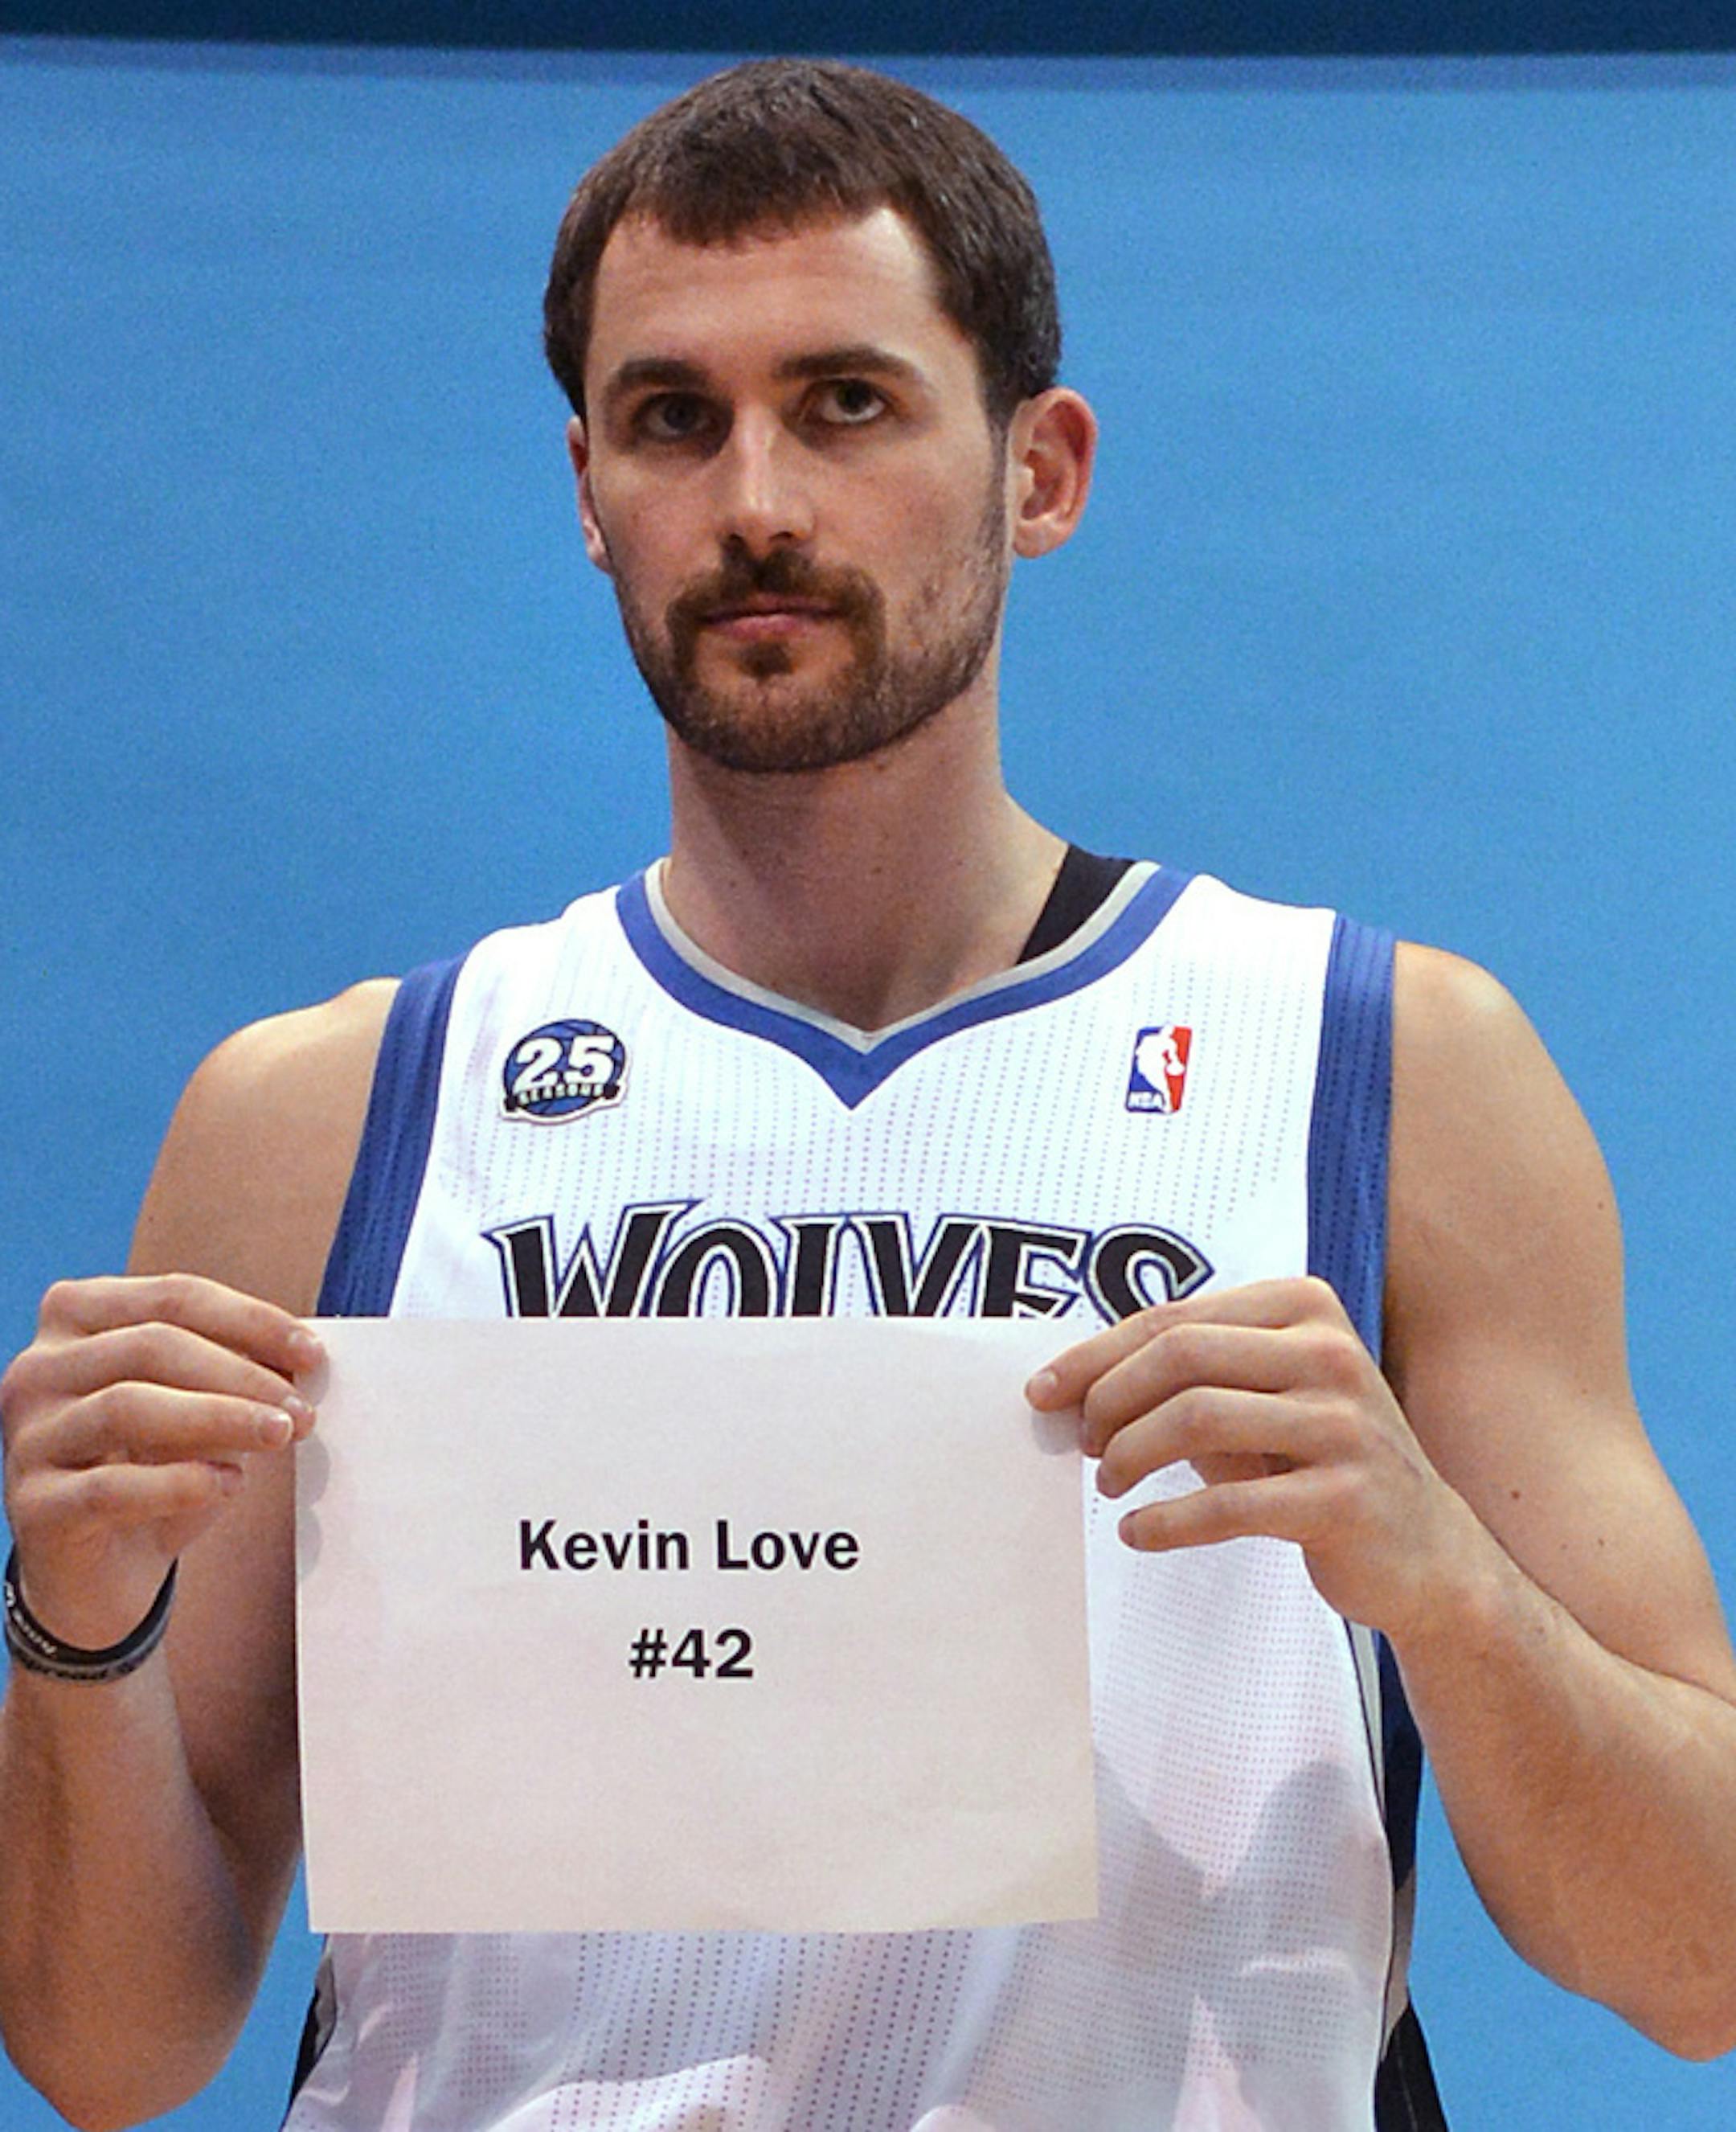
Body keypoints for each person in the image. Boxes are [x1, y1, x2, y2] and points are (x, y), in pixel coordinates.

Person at [2, 55, 1734, 2132]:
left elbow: (1703, 1961)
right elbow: (106, 2053)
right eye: (672, 417)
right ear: (585, 490)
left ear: (1042, 468)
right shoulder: (338, 1110)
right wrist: (73, 1620)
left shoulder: (1381, 1064)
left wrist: (1443, 1577)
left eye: (847, 400)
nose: (754, 501)